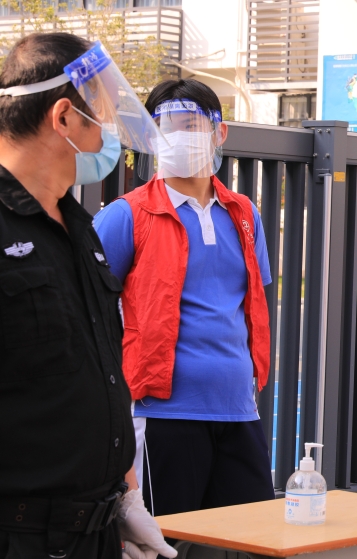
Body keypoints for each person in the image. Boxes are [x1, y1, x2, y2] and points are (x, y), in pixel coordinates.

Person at [0, 33, 175, 559]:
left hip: (95, 530)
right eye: (101, 112)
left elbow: (101, 372)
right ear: (63, 118)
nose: (109, 131)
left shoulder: (81, 228)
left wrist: (125, 498)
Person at [93, 79, 275, 516]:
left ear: (219, 132)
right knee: (165, 539)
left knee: (250, 539)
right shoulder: (125, 215)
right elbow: (89, 311)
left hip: (239, 409)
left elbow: (251, 303)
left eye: (190, 124)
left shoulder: (244, 213)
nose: (177, 135)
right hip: (161, 413)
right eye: (164, 126)